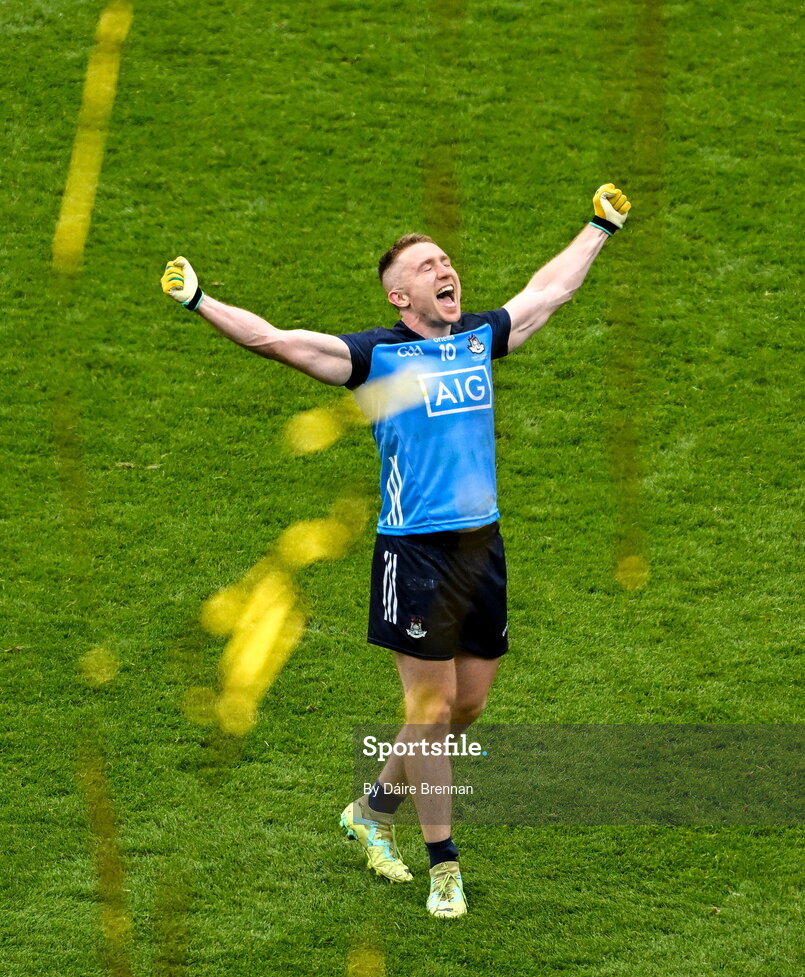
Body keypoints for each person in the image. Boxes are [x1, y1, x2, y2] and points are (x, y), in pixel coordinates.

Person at [161, 183, 631, 918]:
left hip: (482, 548)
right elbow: (275, 340)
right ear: (398, 297)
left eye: (446, 260)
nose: (446, 269)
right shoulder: (375, 359)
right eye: (426, 266)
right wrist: (199, 300)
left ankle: (372, 809)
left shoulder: (478, 338)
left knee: (465, 706)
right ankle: (444, 867)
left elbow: (549, 292)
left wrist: (599, 226)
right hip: (413, 555)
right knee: (431, 704)